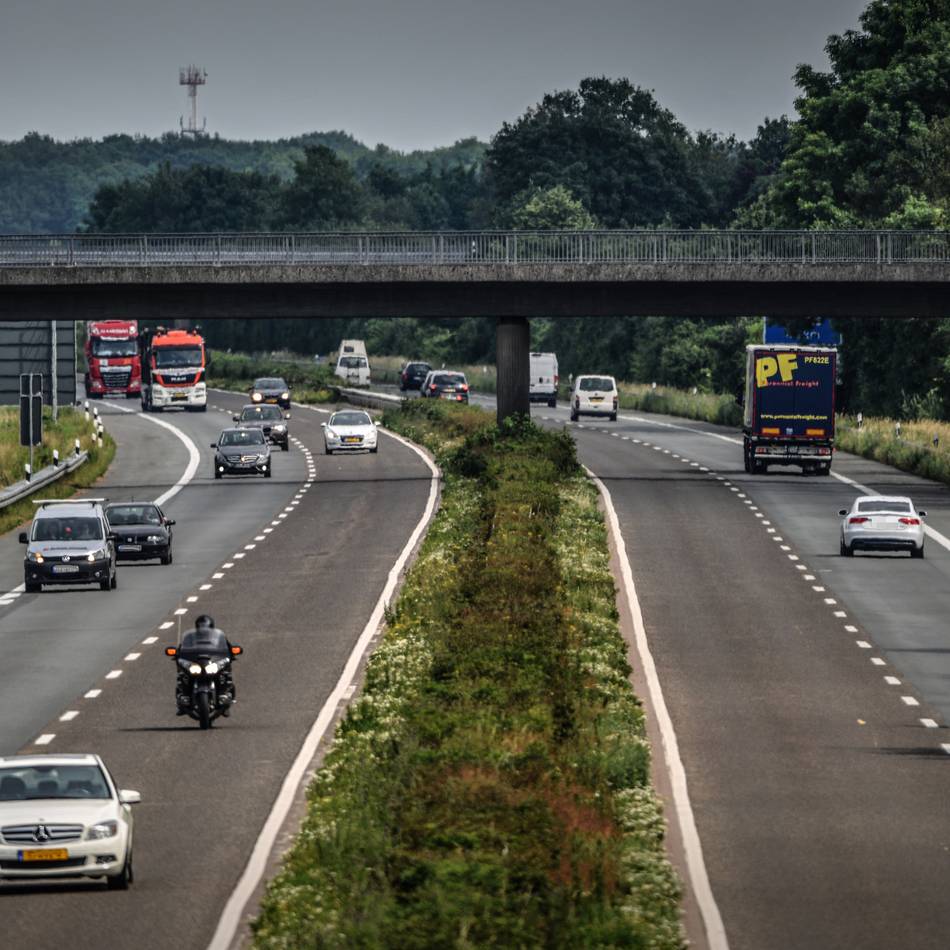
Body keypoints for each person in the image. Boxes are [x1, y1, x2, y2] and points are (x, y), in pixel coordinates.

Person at [174, 615, 237, 716]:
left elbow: (228, 648)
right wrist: (177, 653)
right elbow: (181, 649)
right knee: (183, 676)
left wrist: (232, 652)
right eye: (201, 627)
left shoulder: (219, 636)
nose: (203, 629)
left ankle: (225, 698)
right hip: (196, 662)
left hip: (211, 662)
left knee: (225, 673)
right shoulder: (189, 637)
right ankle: (182, 701)